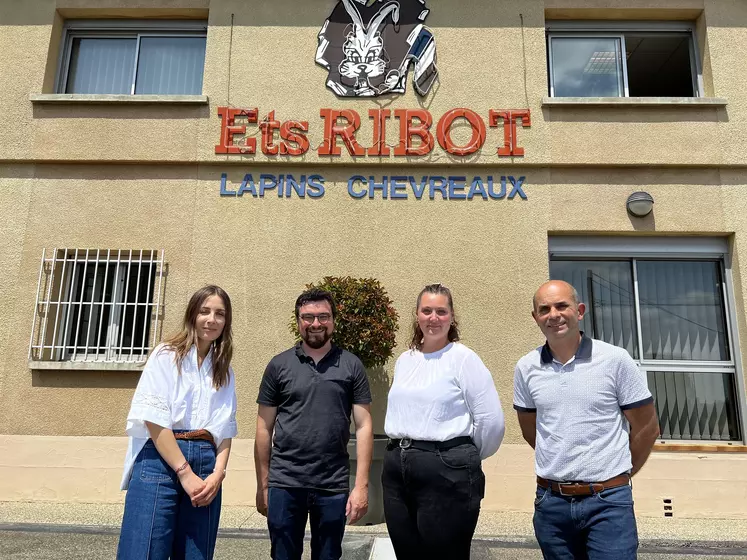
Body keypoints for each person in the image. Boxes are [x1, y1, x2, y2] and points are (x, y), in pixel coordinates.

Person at [514, 280, 660, 560]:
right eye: (544, 309)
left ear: (579, 311)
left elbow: (647, 427)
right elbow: (532, 431)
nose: (553, 314)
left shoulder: (615, 360)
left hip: (608, 503)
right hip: (551, 504)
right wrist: (562, 458)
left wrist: (619, 474)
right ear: (536, 318)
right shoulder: (526, 367)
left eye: (561, 306)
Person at [382, 283, 505, 560]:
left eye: (441, 311)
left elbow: (491, 422)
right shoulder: (405, 360)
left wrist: (460, 455)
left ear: (451, 317)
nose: (433, 318)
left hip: (446, 469)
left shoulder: (463, 359)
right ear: (417, 315)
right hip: (396, 469)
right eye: (427, 311)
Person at [117, 285, 238, 560]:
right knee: (144, 551)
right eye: (205, 311)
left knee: (196, 555)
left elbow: (225, 431)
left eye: (220, 314)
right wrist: (184, 471)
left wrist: (218, 475)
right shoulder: (166, 355)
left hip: (207, 464)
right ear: (192, 314)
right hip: (160, 458)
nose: (212, 319)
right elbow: (154, 420)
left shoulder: (224, 369)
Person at [254, 288, 374, 560]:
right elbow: (263, 428)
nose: (316, 324)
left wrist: (361, 486)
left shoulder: (352, 366)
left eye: (323, 316)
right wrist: (263, 484)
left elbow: (365, 426)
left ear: (333, 320)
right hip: (285, 482)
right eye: (308, 317)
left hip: (332, 484)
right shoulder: (278, 365)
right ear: (298, 321)